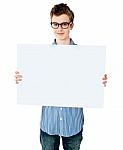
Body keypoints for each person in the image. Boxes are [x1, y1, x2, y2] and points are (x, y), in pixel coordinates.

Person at [15, 3, 107, 150]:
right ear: (51, 25)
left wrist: (98, 81)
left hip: (73, 124)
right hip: (49, 124)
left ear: (71, 25)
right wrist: (22, 79)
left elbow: (90, 85)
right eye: (55, 24)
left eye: (64, 24)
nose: (59, 28)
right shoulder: (40, 57)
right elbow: (33, 83)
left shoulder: (86, 57)